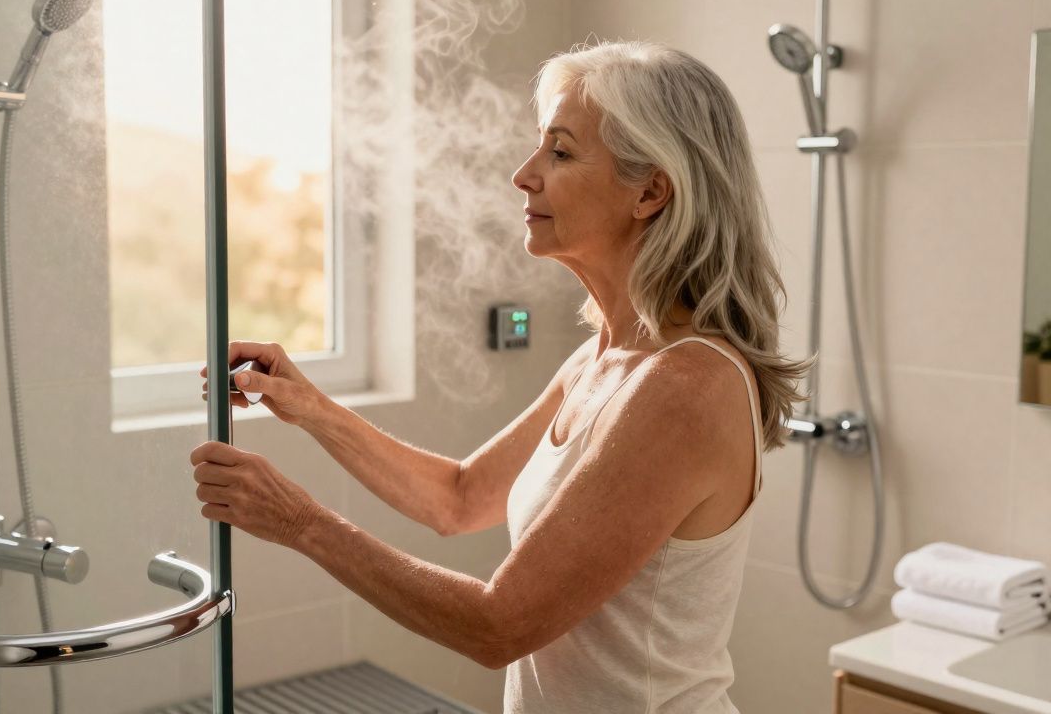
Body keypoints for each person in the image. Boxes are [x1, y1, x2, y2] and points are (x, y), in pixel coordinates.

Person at [190, 40, 810, 713]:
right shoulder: (601, 361)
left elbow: (499, 625)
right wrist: (310, 406)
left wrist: (299, 522)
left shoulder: (686, 387)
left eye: (561, 152)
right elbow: (458, 499)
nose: (523, 174)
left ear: (650, 191)